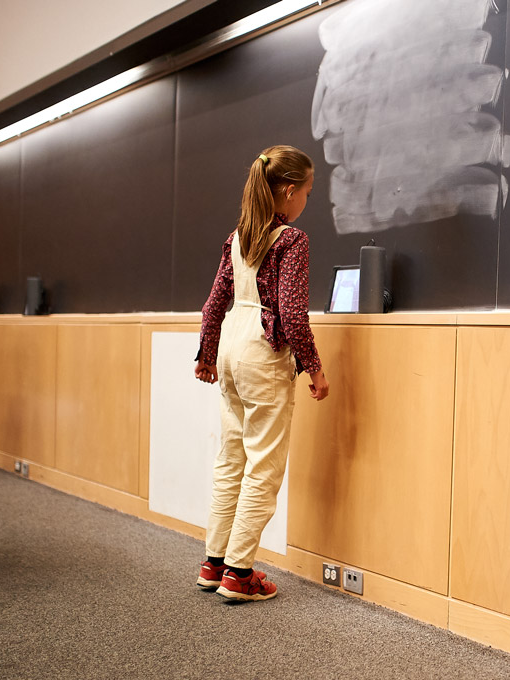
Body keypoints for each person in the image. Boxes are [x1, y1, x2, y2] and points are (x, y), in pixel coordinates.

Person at [193, 145, 329, 602]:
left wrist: (206, 354)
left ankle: (213, 563)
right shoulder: (292, 240)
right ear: (288, 192)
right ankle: (240, 573)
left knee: (231, 459)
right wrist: (314, 367)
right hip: (264, 352)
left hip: (231, 344)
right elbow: (292, 315)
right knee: (264, 467)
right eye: (308, 192)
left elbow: (215, 302)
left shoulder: (237, 238)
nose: (307, 201)